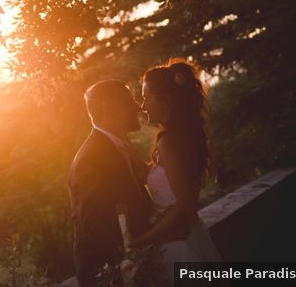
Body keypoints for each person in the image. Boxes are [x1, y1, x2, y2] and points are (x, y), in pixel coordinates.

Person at [131, 60, 222, 277]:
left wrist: (144, 239)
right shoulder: (183, 136)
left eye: (146, 98)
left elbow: (186, 203)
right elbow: (166, 178)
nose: (143, 106)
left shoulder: (169, 142)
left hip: (179, 245)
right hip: (191, 235)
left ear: (166, 101)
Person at [68, 80, 152, 287]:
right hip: (110, 274)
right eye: (129, 101)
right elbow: (96, 231)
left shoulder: (118, 146)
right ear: (109, 108)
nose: (138, 106)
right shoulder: (90, 160)